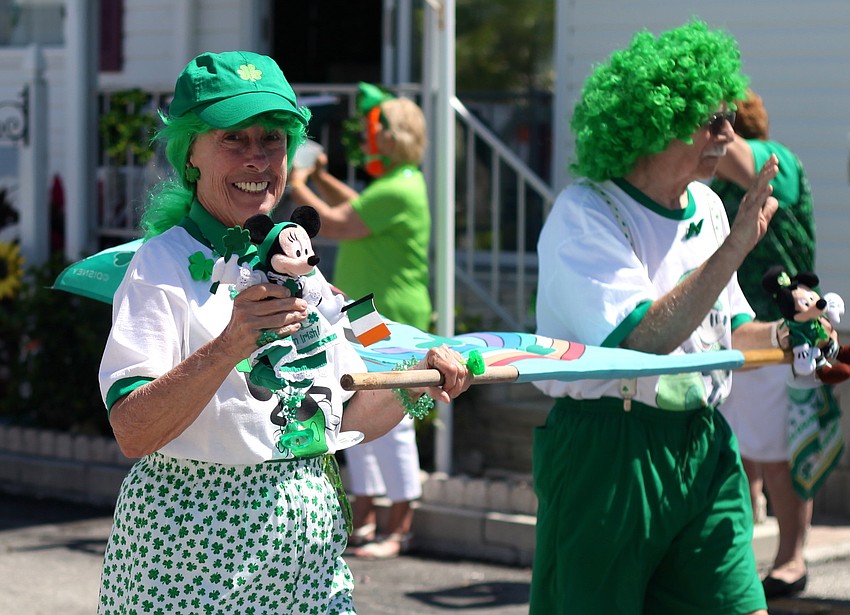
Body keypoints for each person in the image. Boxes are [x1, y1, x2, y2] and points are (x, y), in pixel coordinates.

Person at [97, 51, 470, 614]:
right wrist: (231, 344)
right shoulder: (161, 264)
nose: (257, 157)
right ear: (190, 153)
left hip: (308, 553)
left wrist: (415, 382)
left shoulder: (305, 269)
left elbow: (349, 414)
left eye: (271, 138)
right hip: (192, 555)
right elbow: (133, 430)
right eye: (234, 138)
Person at [532, 20, 782, 614]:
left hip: (701, 442)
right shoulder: (584, 214)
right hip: (609, 450)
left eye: (728, 117)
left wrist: (789, 335)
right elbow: (643, 337)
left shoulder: (711, 206)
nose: (728, 132)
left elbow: (725, 332)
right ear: (656, 123)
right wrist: (734, 250)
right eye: (710, 119)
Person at [287, 83, 431, 559]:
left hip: (387, 317)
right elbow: (354, 206)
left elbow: (342, 222)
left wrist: (299, 183)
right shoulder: (400, 183)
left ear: (401, 134)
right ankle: (367, 517)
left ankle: (401, 528)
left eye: (383, 127)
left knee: (397, 416)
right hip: (366, 314)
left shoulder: (399, 186)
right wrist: (322, 179)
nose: (375, 135)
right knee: (357, 407)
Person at [712, 89, 821, 598]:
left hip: (782, 328)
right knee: (744, 450)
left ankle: (791, 560)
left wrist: (708, 121)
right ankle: (748, 555)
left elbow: (735, 156)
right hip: (739, 325)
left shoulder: (775, 161)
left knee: (778, 450)